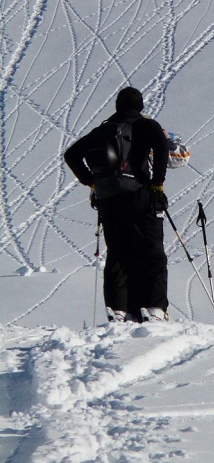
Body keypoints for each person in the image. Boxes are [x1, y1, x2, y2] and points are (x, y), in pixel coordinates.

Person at [64, 86, 170, 322]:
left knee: (118, 254)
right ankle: (154, 308)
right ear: (140, 105)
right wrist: (157, 183)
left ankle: (120, 310)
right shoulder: (144, 124)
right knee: (152, 252)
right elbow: (162, 147)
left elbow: (71, 154)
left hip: (109, 200)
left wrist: (91, 182)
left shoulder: (104, 129)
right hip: (139, 196)